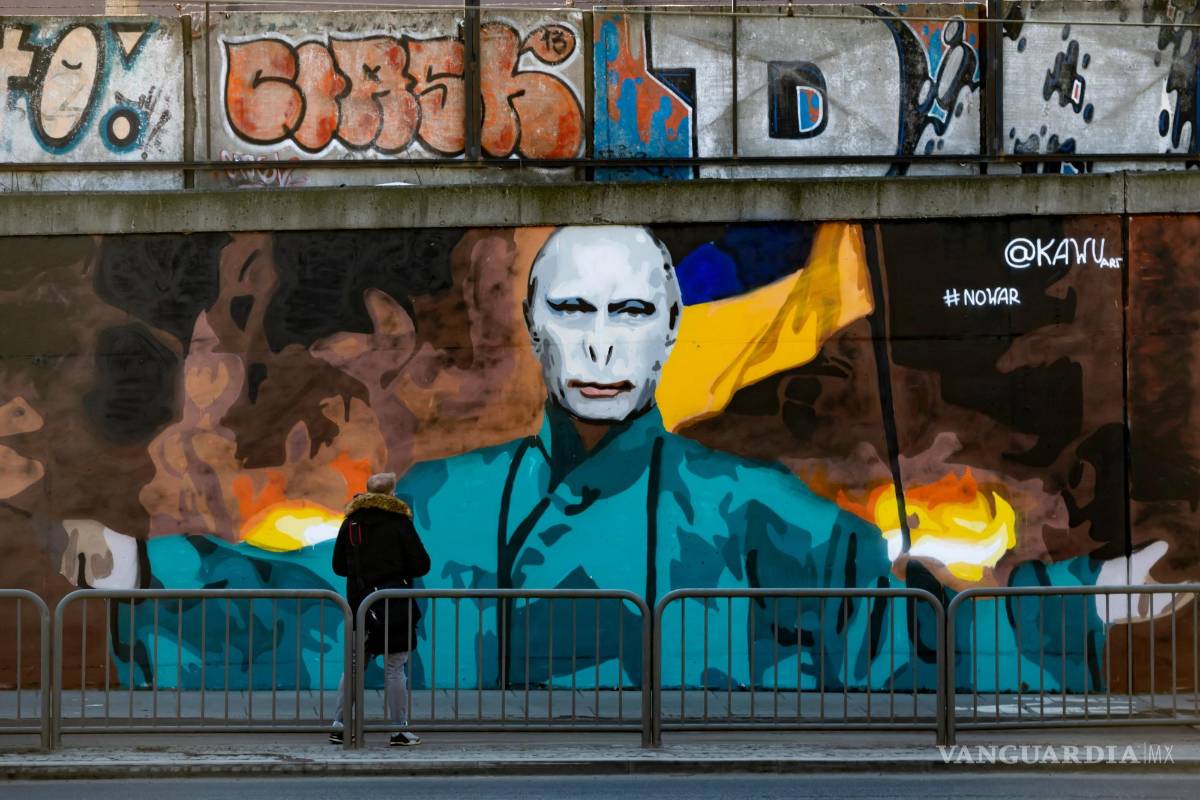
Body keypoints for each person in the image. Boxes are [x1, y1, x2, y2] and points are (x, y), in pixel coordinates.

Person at [395, 224, 1172, 693]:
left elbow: (898, 636)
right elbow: (304, 613)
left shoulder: (759, 510)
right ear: (535, 327)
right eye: (573, 311)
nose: (601, 342)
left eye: (630, 312)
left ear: (669, 330)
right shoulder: (438, 502)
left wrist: (1072, 602)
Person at [330, 471, 430, 746]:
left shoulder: (351, 524)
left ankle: (339, 726)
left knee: (353, 667)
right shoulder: (399, 523)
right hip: (394, 607)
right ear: (392, 494)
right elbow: (422, 564)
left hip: (360, 607)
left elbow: (338, 566)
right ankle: (399, 729)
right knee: (395, 668)